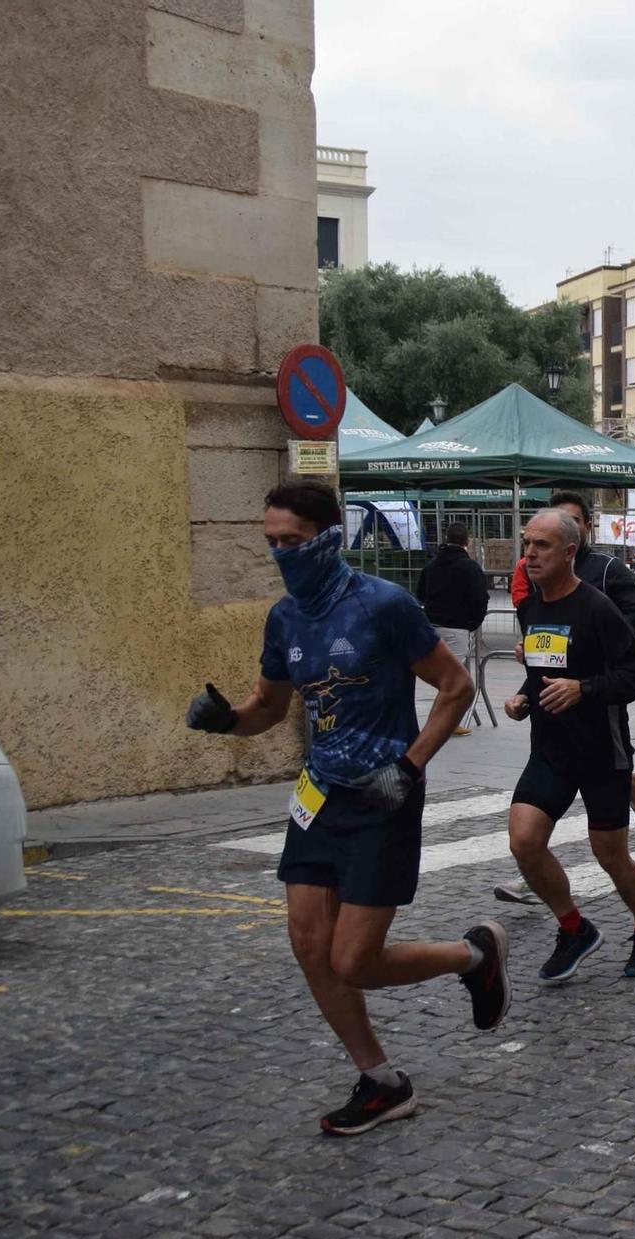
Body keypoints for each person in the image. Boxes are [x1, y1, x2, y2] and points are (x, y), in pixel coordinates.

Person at [184, 479, 509, 1137]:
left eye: (294, 542)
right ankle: (382, 1081)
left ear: (330, 539)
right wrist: (227, 721)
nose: (281, 554)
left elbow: (455, 687)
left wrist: (409, 767)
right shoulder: (284, 618)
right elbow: (270, 708)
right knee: (309, 944)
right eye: (271, 542)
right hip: (319, 795)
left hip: (383, 792)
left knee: (354, 960)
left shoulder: (382, 605)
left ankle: (474, 956)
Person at [503, 508, 635, 982]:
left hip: (602, 751)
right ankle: (574, 928)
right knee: (524, 841)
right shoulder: (531, 607)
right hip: (551, 750)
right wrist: (523, 698)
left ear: (570, 552)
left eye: (542, 546)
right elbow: (542, 671)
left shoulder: (597, 607)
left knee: (610, 856)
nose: (529, 554)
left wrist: (584, 689)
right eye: (527, 544)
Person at [510, 492, 635, 866]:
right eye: (531, 540)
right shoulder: (538, 576)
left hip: (600, 693)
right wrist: (527, 682)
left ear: (584, 529)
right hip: (555, 720)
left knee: (614, 772)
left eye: (573, 521)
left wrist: (592, 643)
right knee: (530, 831)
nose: (535, 548)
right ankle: (537, 872)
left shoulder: (609, 570)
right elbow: (546, 655)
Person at [415, 521, 489, 735]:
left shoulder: (431, 566)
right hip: (457, 627)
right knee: (453, 677)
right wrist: (472, 623)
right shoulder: (470, 567)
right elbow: (480, 598)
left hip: (432, 625)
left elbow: (420, 593)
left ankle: (448, 718)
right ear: (467, 541)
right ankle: (446, 721)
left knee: (446, 675)